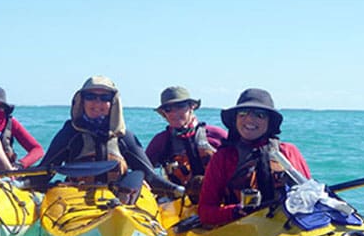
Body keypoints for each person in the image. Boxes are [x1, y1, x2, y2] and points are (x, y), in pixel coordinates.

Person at [33, 76, 184, 198]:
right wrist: (19, 185)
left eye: (105, 97)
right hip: (76, 198)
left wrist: (179, 190)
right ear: (81, 101)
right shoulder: (69, 134)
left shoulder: (124, 137)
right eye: (90, 96)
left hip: (117, 199)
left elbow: (150, 176)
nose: (97, 103)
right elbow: (44, 172)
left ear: (113, 103)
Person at [198, 88, 311, 226]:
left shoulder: (288, 151)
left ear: (270, 122)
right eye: (243, 113)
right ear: (235, 119)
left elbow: (310, 197)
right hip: (243, 230)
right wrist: (235, 211)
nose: (250, 119)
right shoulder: (223, 157)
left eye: (260, 115)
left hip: (285, 227)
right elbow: (205, 213)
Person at [145, 86, 227, 202]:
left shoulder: (216, 135)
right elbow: (144, 172)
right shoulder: (161, 141)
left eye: (180, 107)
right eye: (168, 109)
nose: (174, 113)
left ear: (191, 107)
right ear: (164, 113)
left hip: (218, 200)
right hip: (179, 203)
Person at [0, 85, 44, 169]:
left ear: (5, 109)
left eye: (0, 107)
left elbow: (37, 149)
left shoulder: (10, 124)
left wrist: (20, 165)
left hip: (8, 173)